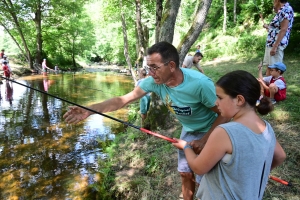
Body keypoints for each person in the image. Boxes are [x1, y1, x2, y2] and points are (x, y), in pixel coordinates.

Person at [63, 41, 230, 200]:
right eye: (148, 68)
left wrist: (204, 140)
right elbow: (123, 100)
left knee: (203, 179)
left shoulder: (200, 84)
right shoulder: (155, 82)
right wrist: (89, 110)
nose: (150, 73)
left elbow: (225, 113)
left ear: (171, 66)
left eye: (155, 68)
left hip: (211, 130)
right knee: (185, 173)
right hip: (188, 129)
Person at [173, 70, 286, 200]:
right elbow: (280, 156)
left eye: (220, 98)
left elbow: (198, 168)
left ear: (239, 100)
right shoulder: (266, 128)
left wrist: (186, 147)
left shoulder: (224, 132)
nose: (216, 102)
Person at [262, 0, 294, 76]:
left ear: (278, 0)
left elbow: (284, 29)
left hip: (276, 44)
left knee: (275, 72)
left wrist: (275, 46)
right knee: (269, 69)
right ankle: (267, 87)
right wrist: (268, 27)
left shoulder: (286, 10)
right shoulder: (281, 10)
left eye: (274, 0)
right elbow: (277, 28)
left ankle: (275, 88)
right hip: (271, 42)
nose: (273, 2)